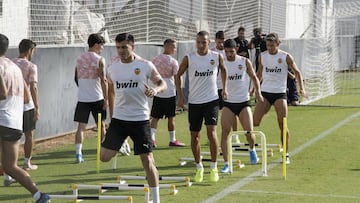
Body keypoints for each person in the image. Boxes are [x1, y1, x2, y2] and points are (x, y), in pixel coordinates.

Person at [100, 33, 166, 203]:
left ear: (132, 46)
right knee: (104, 157)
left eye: (124, 47)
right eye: (118, 47)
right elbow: (111, 89)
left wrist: (155, 90)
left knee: (147, 161)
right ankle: (121, 143)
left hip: (140, 119)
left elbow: (162, 84)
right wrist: (112, 113)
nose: (121, 51)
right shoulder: (113, 67)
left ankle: (156, 199)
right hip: (119, 120)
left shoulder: (145, 65)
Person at [0, 33, 50, 202]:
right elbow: (27, 97)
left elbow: (1, 93)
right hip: (14, 122)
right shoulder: (15, 68)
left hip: (1, 118)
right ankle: (39, 195)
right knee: (10, 166)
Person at [176, 31, 228, 183]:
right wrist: (180, 95)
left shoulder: (216, 56)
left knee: (212, 133)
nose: (200, 45)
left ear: (208, 42)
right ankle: (199, 167)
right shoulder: (189, 58)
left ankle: (213, 167)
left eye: (203, 42)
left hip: (211, 100)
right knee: (195, 136)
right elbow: (178, 75)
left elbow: (224, 70)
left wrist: (225, 88)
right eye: (198, 42)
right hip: (194, 102)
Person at [253, 33, 306, 164]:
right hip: (265, 92)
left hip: (280, 94)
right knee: (255, 122)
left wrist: (302, 88)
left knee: (283, 124)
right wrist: (254, 88)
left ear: (278, 44)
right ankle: (265, 112)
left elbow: (297, 72)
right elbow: (259, 73)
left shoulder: (285, 56)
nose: (269, 48)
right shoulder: (262, 56)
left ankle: (286, 154)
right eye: (267, 45)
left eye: (272, 45)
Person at [220, 39, 263, 173]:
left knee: (249, 132)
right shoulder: (222, 62)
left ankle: (252, 149)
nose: (229, 54)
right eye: (226, 52)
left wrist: (258, 93)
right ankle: (227, 163)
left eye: (231, 52)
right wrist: (223, 90)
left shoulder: (244, 62)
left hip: (243, 102)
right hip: (228, 103)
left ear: (236, 50)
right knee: (225, 133)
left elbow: (254, 78)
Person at [74, 33, 108, 163]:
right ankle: (103, 151)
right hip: (97, 97)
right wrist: (106, 98)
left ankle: (78, 154)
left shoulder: (79, 58)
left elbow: (76, 77)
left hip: (82, 98)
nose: (102, 48)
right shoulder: (100, 59)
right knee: (102, 126)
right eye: (102, 45)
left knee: (81, 127)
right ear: (97, 44)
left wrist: (83, 89)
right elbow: (103, 79)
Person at [150, 39, 185, 147]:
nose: (175, 49)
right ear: (168, 47)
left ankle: (151, 139)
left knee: (155, 117)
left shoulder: (155, 60)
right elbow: (177, 77)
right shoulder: (173, 61)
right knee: (171, 117)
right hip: (169, 92)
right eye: (174, 47)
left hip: (159, 91)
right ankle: (172, 140)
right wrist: (180, 93)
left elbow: (151, 74)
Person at [12, 39, 39, 170]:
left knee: (11, 137)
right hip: (26, 105)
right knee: (29, 134)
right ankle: (27, 162)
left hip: (11, 105)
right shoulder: (31, 66)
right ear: (30, 50)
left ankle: (10, 165)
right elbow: (33, 87)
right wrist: (37, 107)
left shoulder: (10, 63)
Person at [210, 31, 240, 143]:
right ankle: (213, 136)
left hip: (227, 86)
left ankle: (235, 135)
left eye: (222, 42)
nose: (221, 44)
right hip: (214, 87)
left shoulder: (228, 51)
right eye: (219, 42)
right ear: (215, 40)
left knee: (233, 112)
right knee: (214, 112)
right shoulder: (212, 52)